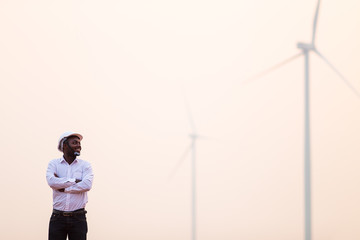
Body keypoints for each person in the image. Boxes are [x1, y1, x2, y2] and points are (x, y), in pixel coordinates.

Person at [46, 131, 94, 240]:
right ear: (64, 145)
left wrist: (63, 187)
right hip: (57, 218)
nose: (78, 146)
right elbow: (51, 182)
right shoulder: (53, 164)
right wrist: (75, 181)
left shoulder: (85, 165)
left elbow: (87, 185)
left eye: (79, 143)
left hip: (78, 218)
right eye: (74, 143)